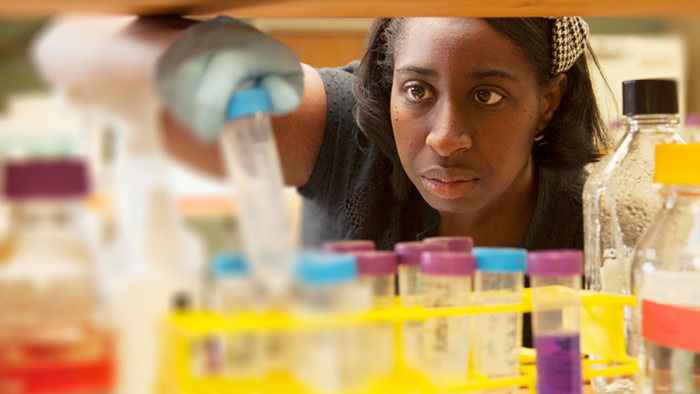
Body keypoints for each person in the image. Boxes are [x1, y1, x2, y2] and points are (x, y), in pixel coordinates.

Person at [157, 16, 608, 251]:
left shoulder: (599, 222)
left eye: (486, 96)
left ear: (548, 101)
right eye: (417, 90)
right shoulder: (340, 128)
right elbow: (139, 74)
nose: (446, 138)